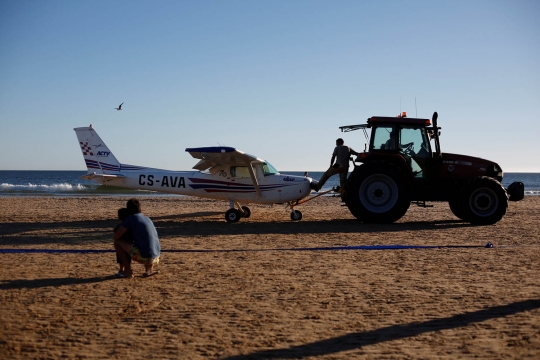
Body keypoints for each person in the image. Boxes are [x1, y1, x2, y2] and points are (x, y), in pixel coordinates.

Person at [114, 198, 161, 278]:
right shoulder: (147, 218)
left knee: (117, 242)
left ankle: (128, 271)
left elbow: (116, 236)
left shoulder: (131, 219)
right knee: (147, 244)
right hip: (156, 257)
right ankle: (148, 271)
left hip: (144, 257)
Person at [114, 207, 133, 275]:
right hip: (129, 243)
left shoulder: (120, 226)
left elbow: (115, 235)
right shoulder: (129, 225)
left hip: (122, 242)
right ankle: (125, 268)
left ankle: (122, 269)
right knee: (127, 257)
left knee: (120, 256)